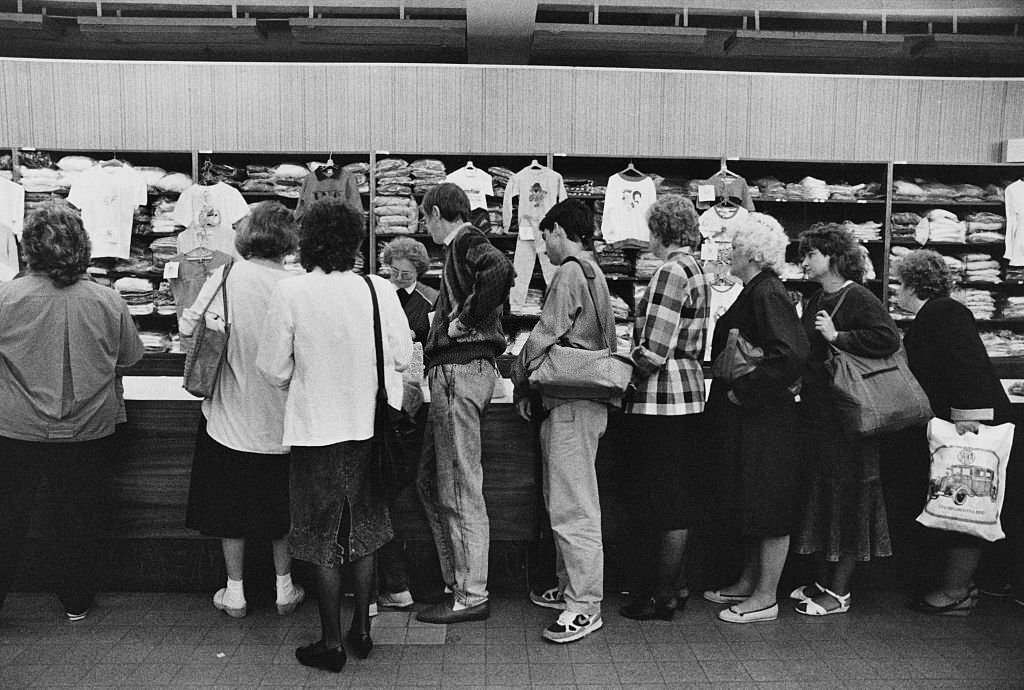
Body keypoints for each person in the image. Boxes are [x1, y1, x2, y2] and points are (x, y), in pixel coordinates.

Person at [257, 198, 413, 672]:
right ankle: (361, 630)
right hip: (369, 426)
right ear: (354, 242)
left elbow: (270, 366)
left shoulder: (291, 292)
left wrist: (299, 379)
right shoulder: (378, 290)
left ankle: (330, 643)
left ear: (307, 242)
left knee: (319, 531)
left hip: (315, 427)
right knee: (363, 527)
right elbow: (403, 357)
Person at [0, 201, 144, 621]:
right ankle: (76, 601)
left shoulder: (6, 297)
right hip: (89, 428)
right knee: (80, 518)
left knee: (7, 519)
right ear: (82, 246)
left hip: (16, 426)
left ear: (29, 247)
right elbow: (130, 357)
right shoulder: (108, 300)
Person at [180, 201, 305, 619]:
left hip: (230, 414)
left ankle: (235, 592)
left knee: (230, 508)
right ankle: (284, 587)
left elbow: (187, 325)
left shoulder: (227, 275)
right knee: (280, 507)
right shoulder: (297, 282)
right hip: (284, 417)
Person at [891, 249, 1021, 615]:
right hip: (960, 424)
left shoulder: (944, 312)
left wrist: (968, 419)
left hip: (969, 429)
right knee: (958, 502)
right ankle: (957, 586)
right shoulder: (938, 314)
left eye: (900, 284)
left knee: (965, 503)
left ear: (914, 284)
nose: (897, 292)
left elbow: (967, 367)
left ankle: (957, 590)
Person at [511, 199, 617, 643]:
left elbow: (544, 334)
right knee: (569, 502)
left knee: (573, 509)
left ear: (557, 231)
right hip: (588, 401)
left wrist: (519, 375)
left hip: (570, 403)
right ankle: (571, 589)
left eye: (544, 236)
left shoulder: (569, 273)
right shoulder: (595, 272)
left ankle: (584, 605)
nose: (544, 247)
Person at [414, 183, 514, 625]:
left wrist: (461, 323)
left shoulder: (465, 241)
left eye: (425, 218)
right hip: (464, 371)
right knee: (434, 481)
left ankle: (471, 593)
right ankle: (459, 582)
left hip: (458, 370)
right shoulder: (462, 246)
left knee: (457, 485)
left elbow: (499, 268)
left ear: (437, 212)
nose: (425, 227)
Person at [702, 214, 809, 623]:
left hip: (766, 417)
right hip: (757, 417)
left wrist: (741, 391)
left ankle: (765, 597)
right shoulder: (759, 290)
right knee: (755, 500)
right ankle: (750, 581)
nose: (729, 251)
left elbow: (791, 354)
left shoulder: (766, 293)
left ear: (750, 252)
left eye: (734, 244)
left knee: (769, 504)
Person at [789, 223, 900, 616]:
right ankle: (824, 581)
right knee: (826, 499)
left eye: (810, 254)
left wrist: (839, 338)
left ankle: (839, 592)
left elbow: (888, 338)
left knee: (850, 500)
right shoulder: (819, 296)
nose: (804, 262)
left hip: (852, 421)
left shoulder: (859, 297)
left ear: (832, 257)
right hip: (824, 418)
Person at [618, 194, 710, 621]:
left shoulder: (671, 271)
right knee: (679, 496)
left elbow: (654, 349)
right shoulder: (697, 269)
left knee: (660, 502)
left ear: (659, 231)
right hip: (689, 393)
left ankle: (660, 595)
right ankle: (678, 585)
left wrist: (623, 378)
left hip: (660, 400)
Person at [377, 237, 438, 609]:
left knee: (412, 492)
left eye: (405, 271)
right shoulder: (381, 295)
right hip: (388, 401)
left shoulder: (430, 300)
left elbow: (424, 349)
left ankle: (413, 580)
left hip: (415, 403)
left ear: (418, 270)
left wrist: (411, 380)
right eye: (392, 269)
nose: (398, 277)